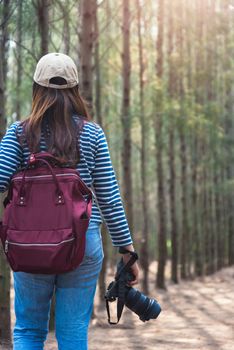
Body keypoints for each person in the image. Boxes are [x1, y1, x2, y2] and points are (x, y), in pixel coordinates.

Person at [0, 52, 139, 350]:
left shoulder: (19, 134)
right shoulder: (92, 134)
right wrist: (127, 250)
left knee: (28, 329)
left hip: (29, 243)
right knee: (74, 328)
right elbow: (109, 197)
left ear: (36, 89)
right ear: (75, 91)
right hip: (82, 242)